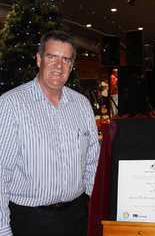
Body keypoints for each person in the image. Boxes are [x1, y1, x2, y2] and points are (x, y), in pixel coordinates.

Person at [0, 30, 100, 236]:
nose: (59, 66)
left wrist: (98, 212)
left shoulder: (81, 105)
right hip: (30, 221)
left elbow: (92, 162)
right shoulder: (10, 104)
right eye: (52, 57)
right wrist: (2, 229)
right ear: (38, 59)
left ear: (72, 66)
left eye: (66, 59)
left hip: (77, 217)